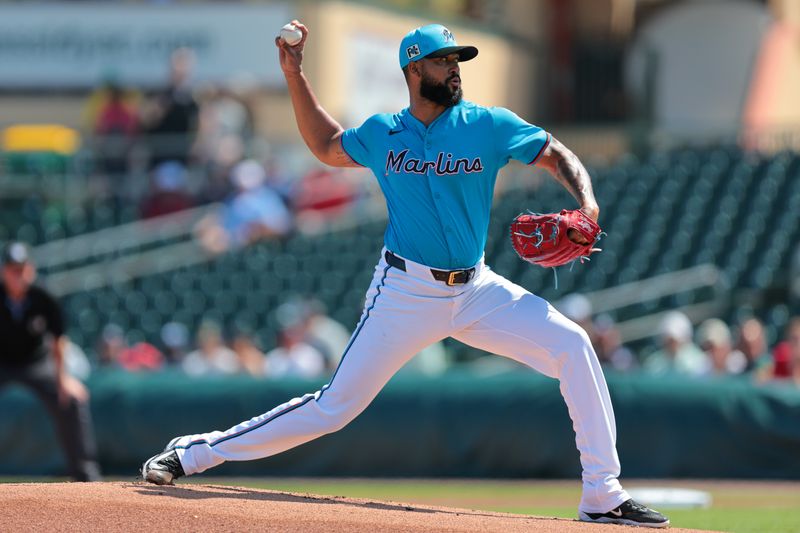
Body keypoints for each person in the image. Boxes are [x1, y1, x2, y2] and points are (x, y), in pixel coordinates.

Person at [142, 22, 668, 528]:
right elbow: (325, 145)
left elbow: (556, 154)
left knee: (573, 345)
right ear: (414, 69)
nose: (455, 69)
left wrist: (588, 205)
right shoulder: (383, 133)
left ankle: (602, 494)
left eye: (457, 60)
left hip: (477, 288)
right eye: (443, 60)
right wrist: (294, 76)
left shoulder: (488, 123)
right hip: (404, 290)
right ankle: (193, 454)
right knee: (334, 407)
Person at [0, 242, 101, 481]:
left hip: (36, 362)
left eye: (22, 269)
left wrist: (63, 378)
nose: (19, 275)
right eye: (13, 269)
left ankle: (85, 474)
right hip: (1, 362)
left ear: (31, 269)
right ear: (4, 271)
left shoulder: (43, 297)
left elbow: (58, 341)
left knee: (71, 401)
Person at [644, 311, 708, 377]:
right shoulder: (654, 363)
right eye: (669, 341)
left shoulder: (699, 361)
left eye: (674, 341)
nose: (672, 345)